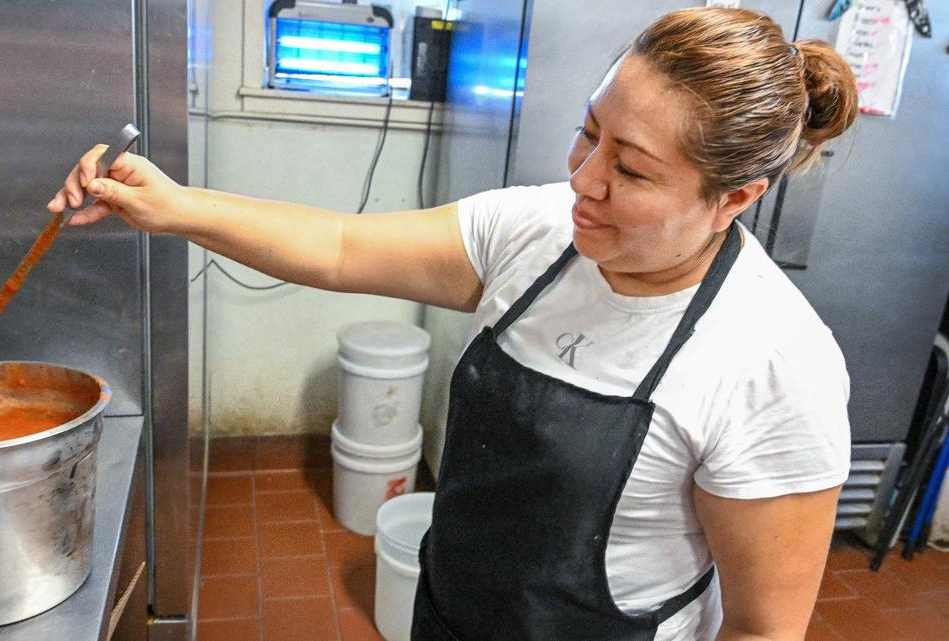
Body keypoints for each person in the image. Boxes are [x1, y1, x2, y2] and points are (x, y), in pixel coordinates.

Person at [51, 7, 857, 640]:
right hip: (447, 615)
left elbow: (763, 626)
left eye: (632, 168)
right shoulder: (537, 230)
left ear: (736, 197)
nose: (583, 177)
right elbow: (338, 246)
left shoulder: (774, 361)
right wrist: (174, 205)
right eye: (588, 132)